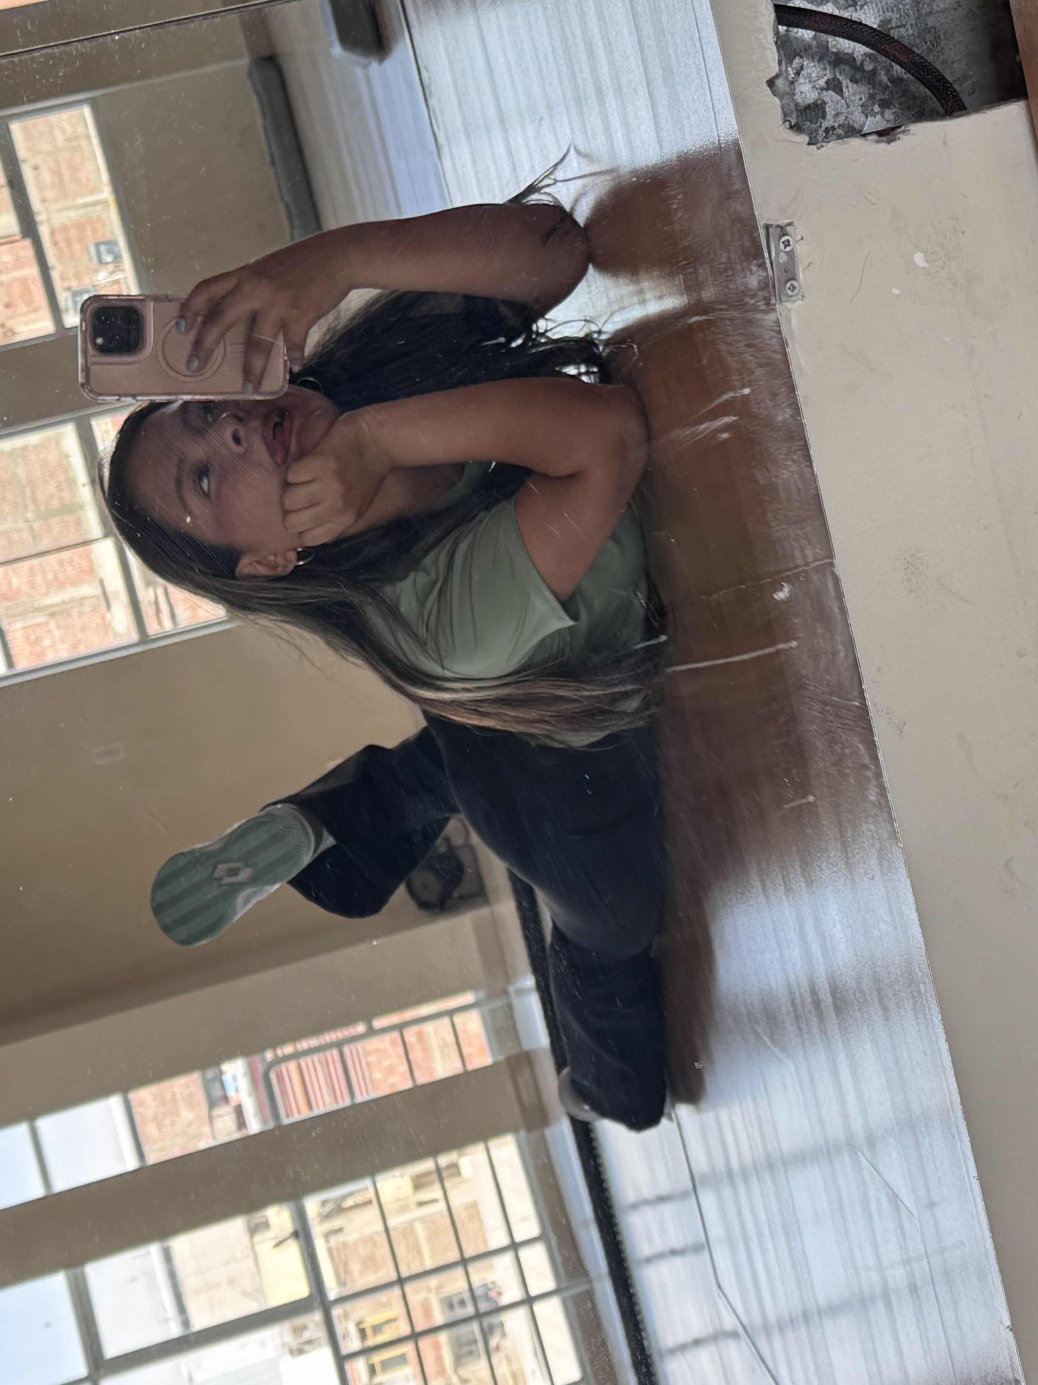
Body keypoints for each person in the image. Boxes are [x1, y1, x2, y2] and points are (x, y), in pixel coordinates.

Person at [101, 201, 669, 1129]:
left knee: (449, 744)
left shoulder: (360, 382)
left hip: (496, 680)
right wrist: (375, 443)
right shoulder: (436, 625)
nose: (231, 432)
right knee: (612, 935)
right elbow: (607, 435)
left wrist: (334, 262)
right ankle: (598, 1086)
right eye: (203, 478)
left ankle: (343, 817)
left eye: (204, 411)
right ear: (267, 564)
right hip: (561, 780)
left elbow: (556, 251)